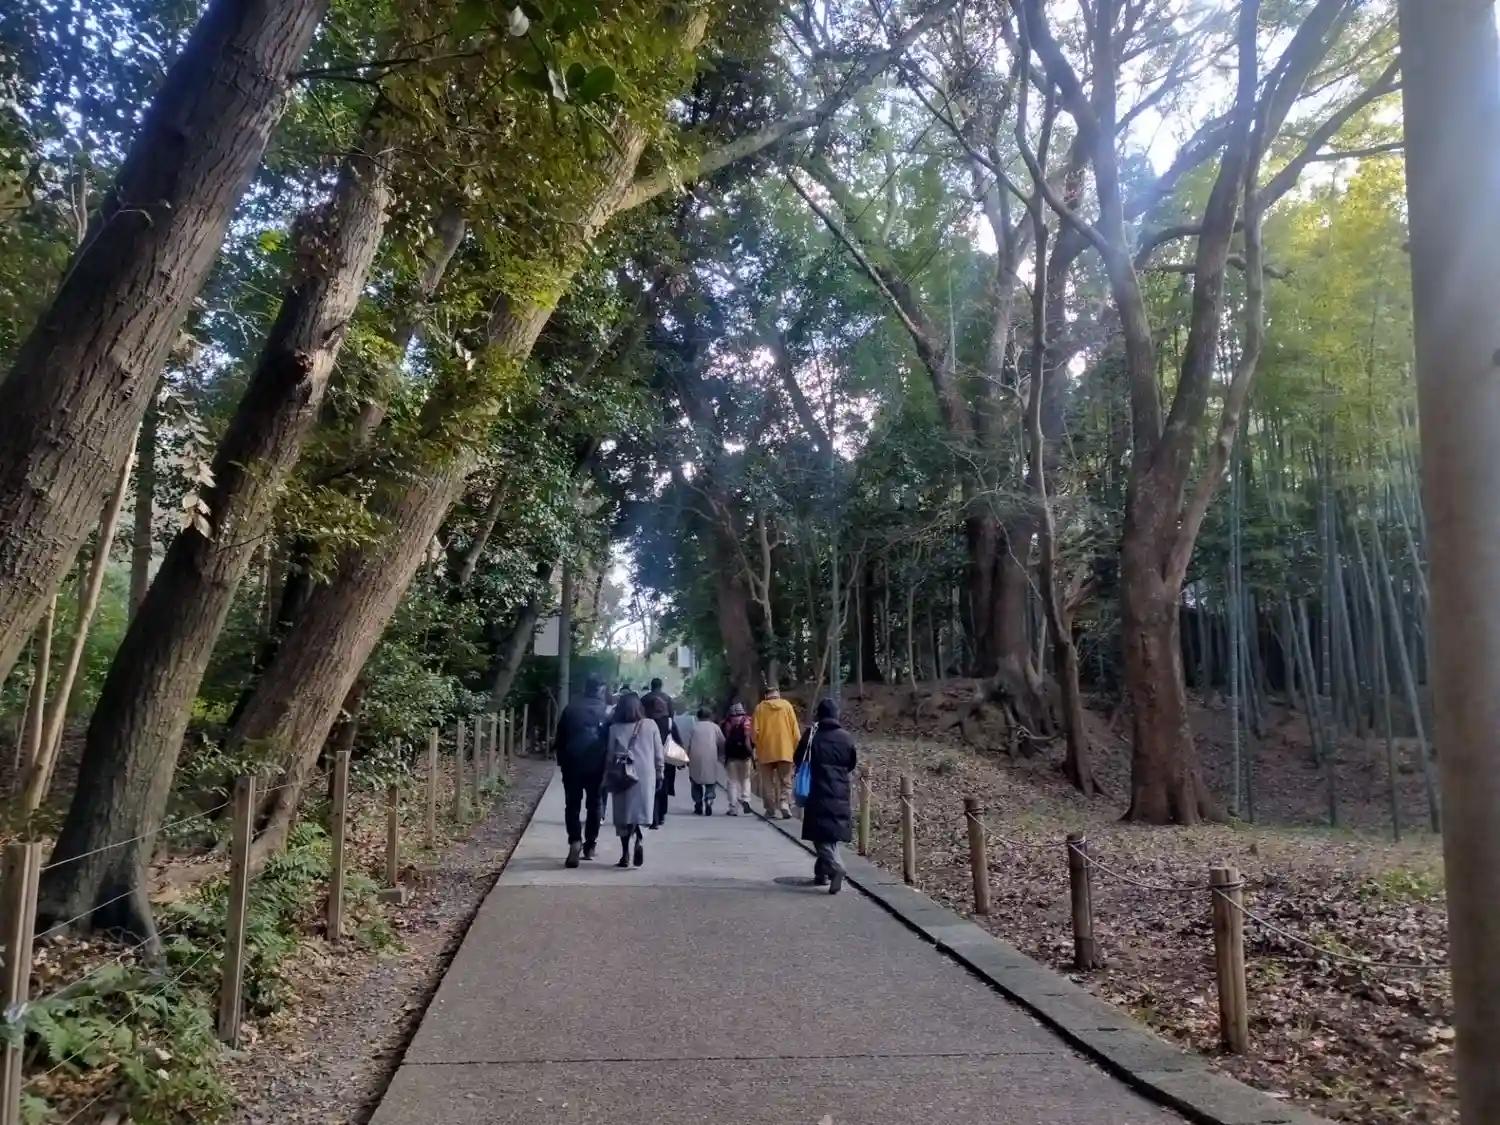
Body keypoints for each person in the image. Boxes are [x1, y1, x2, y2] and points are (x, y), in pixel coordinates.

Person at [795, 698, 858, 894]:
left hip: (816, 789)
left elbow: (798, 758)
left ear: (819, 715)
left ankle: (836, 867)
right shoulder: (846, 738)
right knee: (830, 833)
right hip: (840, 791)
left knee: (819, 836)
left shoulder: (812, 735)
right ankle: (821, 874)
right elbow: (851, 763)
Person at [552, 673, 610, 868]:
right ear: (601, 689)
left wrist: (562, 760)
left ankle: (575, 841)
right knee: (595, 804)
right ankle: (590, 845)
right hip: (597, 765)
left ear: (586, 688)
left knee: (572, 805)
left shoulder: (571, 709)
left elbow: (560, 738)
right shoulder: (606, 712)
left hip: (572, 764)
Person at [605, 691, 663, 868]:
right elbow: (658, 753)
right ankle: (640, 840)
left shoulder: (614, 728)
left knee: (623, 814)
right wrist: (660, 772)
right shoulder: (651, 725)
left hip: (622, 774)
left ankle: (625, 854)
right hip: (645, 774)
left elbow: (609, 756)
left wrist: (607, 775)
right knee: (642, 812)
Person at [752, 685, 800, 820]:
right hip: (785, 750)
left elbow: (754, 733)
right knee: (786, 781)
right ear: (778, 694)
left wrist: (758, 747)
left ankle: (770, 809)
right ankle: (784, 803)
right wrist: (794, 748)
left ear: (766, 695)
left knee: (767, 782)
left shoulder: (760, 708)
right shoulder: (787, 706)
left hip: (765, 751)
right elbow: (796, 733)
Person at [642, 678, 675, 828]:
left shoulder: (644, 700)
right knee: (664, 783)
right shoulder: (668, 701)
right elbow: (673, 725)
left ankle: (651, 815)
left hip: (647, 751)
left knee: (650, 785)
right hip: (666, 752)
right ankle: (661, 815)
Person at [685, 707, 724, 815]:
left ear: (698, 716)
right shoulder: (715, 727)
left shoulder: (693, 727)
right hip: (711, 756)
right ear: (710, 716)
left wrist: (686, 758)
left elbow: (687, 744)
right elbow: (722, 742)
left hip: (695, 757)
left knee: (695, 781)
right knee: (710, 781)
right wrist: (721, 756)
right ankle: (709, 799)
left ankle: (698, 803)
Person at [720, 702, 754, 815]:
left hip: (731, 757)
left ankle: (733, 807)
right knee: (746, 779)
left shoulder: (726, 723)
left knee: (732, 782)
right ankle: (745, 799)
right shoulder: (748, 721)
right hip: (745, 756)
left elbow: (723, 740)